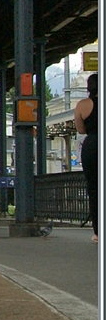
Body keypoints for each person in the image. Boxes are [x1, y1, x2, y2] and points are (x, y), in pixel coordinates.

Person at [74, 72, 97, 242]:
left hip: (93, 145)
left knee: (94, 188)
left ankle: (98, 232)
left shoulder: (83, 104)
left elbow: (81, 129)